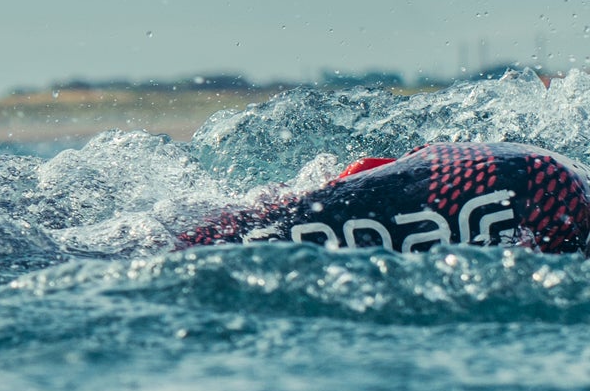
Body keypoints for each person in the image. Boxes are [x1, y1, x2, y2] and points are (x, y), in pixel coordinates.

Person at [173, 141, 590, 255]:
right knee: (204, 245)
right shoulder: (562, 206)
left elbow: (378, 167)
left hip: (520, 172)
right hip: (525, 186)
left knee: (222, 235)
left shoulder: (566, 175)